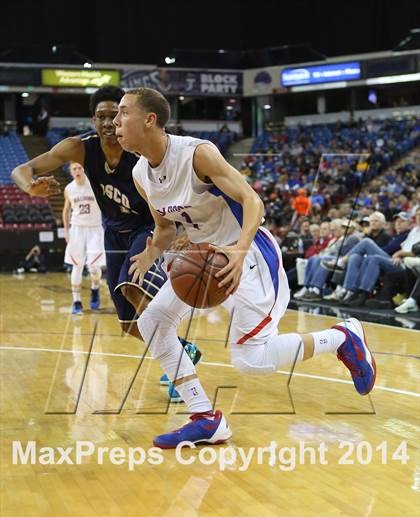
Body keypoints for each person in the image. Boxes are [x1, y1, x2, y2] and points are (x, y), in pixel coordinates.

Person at [113, 87, 376, 448]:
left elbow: (253, 200)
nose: (115, 121)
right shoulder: (142, 174)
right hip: (205, 258)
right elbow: (165, 228)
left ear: (149, 119)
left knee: (252, 359)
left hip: (248, 254)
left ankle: (343, 337)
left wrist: (238, 250)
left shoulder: (197, 154)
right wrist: (149, 254)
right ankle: (206, 417)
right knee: (152, 323)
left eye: (123, 112)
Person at [11, 86, 201, 392]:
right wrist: (30, 185)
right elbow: (23, 169)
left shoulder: (138, 154)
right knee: (128, 324)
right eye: (101, 116)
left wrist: (181, 230)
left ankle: (180, 368)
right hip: (112, 232)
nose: (109, 122)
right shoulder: (81, 147)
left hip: (146, 228)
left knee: (132, 285)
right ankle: (182, 348)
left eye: (116, 115)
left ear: (127, 118)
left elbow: (172, 194)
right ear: (93, 119)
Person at [62, 162, 104, 314]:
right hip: (77, 229)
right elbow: (66, 210)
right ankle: (76, 302)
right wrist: (66, 231)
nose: (77, 170)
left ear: (84, 169)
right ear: (71, 172)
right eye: (74, 168)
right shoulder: (69, 189)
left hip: (95, 228)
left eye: (80, 168)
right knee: (77, 266)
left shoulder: (94, 184)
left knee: (94, 267)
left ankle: (95, 289)